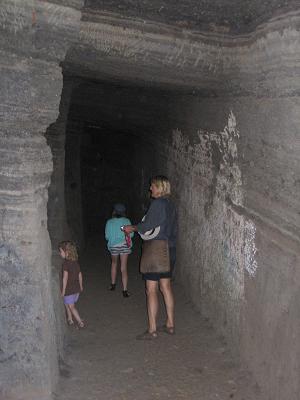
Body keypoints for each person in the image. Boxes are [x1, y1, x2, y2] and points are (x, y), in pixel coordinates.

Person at [123, 175, 177, 340]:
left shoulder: (158, 203)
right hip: (170, 249)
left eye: (153, 186)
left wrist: (131, 228)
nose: (150, 189)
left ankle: (152, 329)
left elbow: (149, 225)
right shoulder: (171, 205)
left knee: (151, 289)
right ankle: (170, 323)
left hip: (156, 250)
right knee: (166, 287)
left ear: (160, 187)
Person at [105, 203, 134, 298]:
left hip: (113, 246)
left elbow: (107, 236)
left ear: (114, 212)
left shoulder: (109, 222)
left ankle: (113, 285)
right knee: (123, 268)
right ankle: (125, 290)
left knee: (114, 264)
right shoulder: (127, 221)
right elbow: (132, 235)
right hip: (125, 245)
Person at [58, 241, 84, 328]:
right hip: (76, 289)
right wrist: (81, 286)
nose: (60, 253)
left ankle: (80, 321)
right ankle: (70, 319)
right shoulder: (75, 263)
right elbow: (80, 275)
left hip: (69, 290)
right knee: (67, 303)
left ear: (67, 252)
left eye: (61, 251)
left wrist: (63, 291)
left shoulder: (65, 264)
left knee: (71, 307)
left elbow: (65, 278)